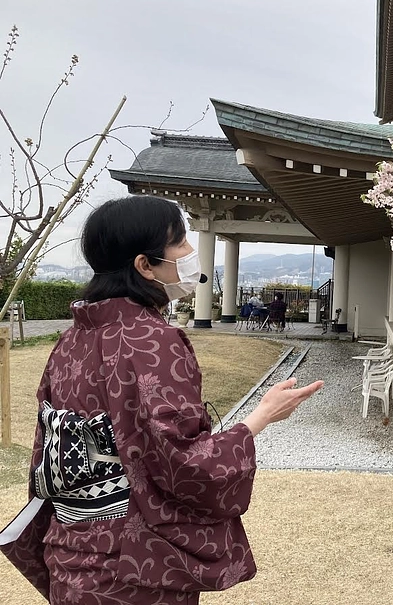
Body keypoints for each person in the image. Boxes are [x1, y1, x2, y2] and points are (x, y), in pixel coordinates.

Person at [28, 196, 323, 604]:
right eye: (181, 243)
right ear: (145, 266)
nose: (191, 252)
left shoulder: (71, 339)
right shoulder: (153, 341)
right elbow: (182, 460)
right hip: (134, 568)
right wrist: (260, 417)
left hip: (69, 551)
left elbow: (50, 449)